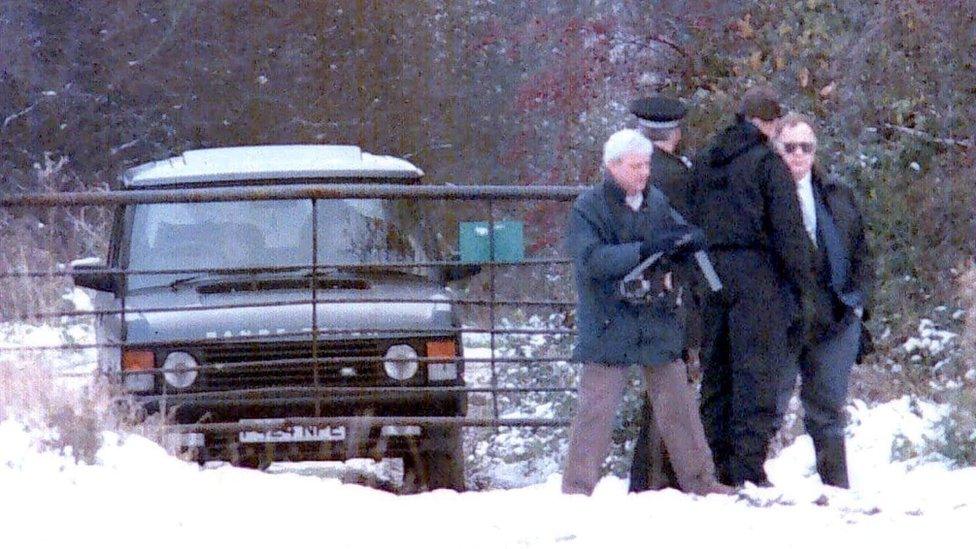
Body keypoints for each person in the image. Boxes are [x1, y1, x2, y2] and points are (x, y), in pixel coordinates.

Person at [562, 128, 731, 496]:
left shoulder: (656, 202)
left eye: (646, 165)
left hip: (654, 317)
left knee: (679, 405)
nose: (643, 173)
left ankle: (701, 481)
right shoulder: (589, 208)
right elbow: (591, 260)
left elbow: (674, 239)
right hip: (609, 320)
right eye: (635, 166)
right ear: (612, 166)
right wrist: (643, 250)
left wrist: (687, 243)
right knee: (596, 409)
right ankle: (576, 489)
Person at [693, 86, 826, 486]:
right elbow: (786, 230)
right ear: (770, 123)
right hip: (757, 276)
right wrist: (807, 280)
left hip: (710, 271)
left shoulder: (706, 160)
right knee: (755, 372)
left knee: (717, 371)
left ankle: (714, 462)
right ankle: (746, 465)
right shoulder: (767, 164)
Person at [772, 113, 874, 488]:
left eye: (807, 147)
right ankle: (743, 488)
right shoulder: (761, 196)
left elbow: (861, 250)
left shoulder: (836, 193)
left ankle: (837, 489)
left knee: (828, 408)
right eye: (790, 147)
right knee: (769, 407)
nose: (798, 155)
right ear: (776, 149)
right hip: (782, 319)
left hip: (834, 316)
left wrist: (857, 300)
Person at [627, 95, 697, 493]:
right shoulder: (676, 177)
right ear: (676, 131)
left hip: (636, 289)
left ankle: (652, 477)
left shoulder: (626, 175)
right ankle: (654, 479)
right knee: (668, 385)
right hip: (670, 290)